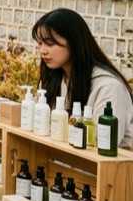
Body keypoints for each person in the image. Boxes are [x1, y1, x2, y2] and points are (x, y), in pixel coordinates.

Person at [33, 8, 133, 147]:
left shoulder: (109, 87)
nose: (42, 51)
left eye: (49, 43)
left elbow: (103, 142)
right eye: (39, 43)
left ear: (74, 43)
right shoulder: (53, 79)